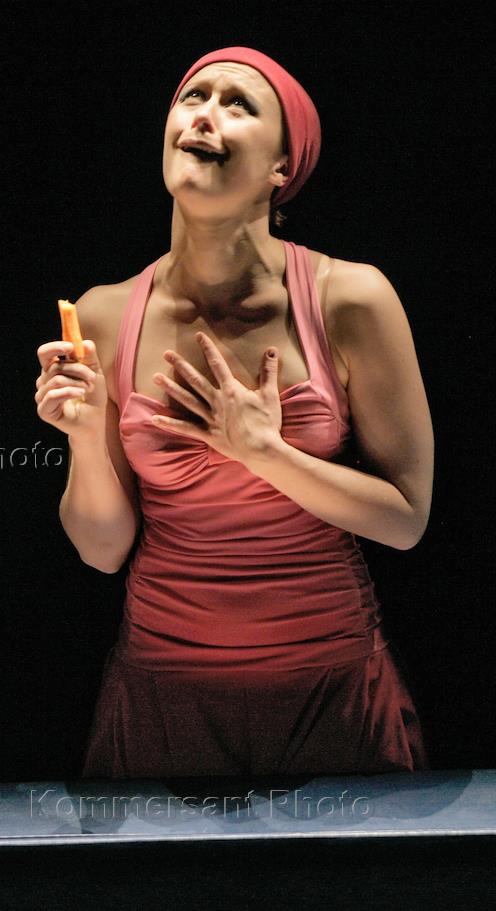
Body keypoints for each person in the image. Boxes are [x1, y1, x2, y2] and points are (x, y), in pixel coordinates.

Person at [35, 47, 431, 777]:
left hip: (332, 692)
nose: (204, 114)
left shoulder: (351, 298)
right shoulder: (102, 314)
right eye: (193, 96)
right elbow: (102, 550)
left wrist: (264, 453)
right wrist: (87, 438)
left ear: (283, 164)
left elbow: (406, 520)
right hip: (162, 695)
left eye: (238, 103)